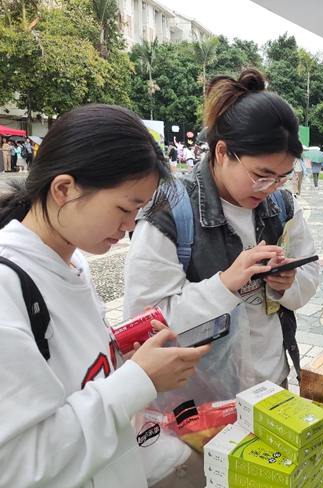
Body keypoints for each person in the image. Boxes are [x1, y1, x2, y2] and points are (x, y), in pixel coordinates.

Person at [0, 104, 210, 487]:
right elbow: (18, 465)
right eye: (125, 208)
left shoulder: (72, 260)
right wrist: (138, 379)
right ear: (64, 189)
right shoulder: (7, 288)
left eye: (139, 210)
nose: (129, 226)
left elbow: (77, 373)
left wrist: (122, 355)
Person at [123, 68, 319, 389]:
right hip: (205, 396)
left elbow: (309, 276)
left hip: (273, 382)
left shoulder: (282, 206)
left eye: (281, 177)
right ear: (223, 152)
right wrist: (225, 284)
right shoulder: (170, 210)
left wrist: (286, 284)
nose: (270, 188)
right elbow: (145, 322)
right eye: (261, 176)